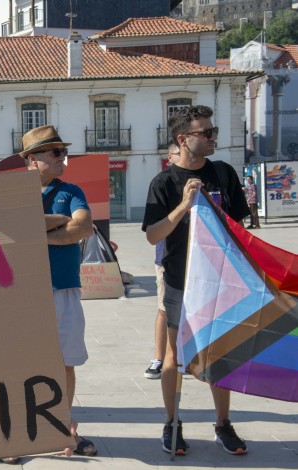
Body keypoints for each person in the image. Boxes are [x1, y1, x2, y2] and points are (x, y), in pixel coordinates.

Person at [142, 105, 250, 455]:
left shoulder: (224, 173)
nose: (211, 136)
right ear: (182, 139)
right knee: (175, 357)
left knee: (220, 355)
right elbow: (153, 235)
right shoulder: (163, 182)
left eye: (212, 130)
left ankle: (223, 424)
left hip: (221, 280)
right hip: (179, 280)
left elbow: (241, 226)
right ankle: (172, 423)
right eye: (204, 132)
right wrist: (184, 206)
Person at [0, 125, 95, 464]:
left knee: (65, 361)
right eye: (54, 152)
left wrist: (36, 233)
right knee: (22, 364)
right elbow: (4, 231)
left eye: (61, 151)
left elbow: (82, 227)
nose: (62, 158)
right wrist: (57, 223)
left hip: (63, 287)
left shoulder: (71, 190)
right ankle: (21, 434)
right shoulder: (12, 194)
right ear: (31, 159)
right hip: (21, 292)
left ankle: (63, 427)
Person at [144, 143, 181, 380]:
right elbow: (152, 229)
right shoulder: (163, 184)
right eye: (179, 153)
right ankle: (159, 358)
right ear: (170, 157)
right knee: (165, 310)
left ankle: (186, 357)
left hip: (200, 258)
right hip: (166, 258)